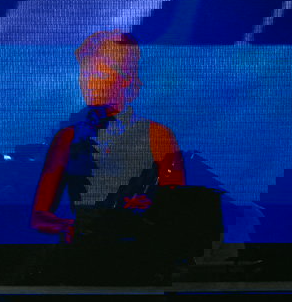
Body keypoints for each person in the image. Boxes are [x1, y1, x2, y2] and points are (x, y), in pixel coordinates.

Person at [31, 31, 184, 245]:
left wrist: (151, 208)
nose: (89, 82)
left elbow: (178, 208)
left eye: (99, 74)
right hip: (85, 253)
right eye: (85, 73)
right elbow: (39, 216)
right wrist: (67, 227)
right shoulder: (67, 138)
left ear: (125, 80)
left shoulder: (158, 135)